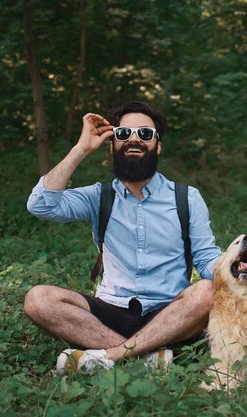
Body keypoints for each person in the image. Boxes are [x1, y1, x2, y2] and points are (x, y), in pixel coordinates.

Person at [24, 101, 221, 374]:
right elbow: (41, 204)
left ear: (158, 146)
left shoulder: (186, 198)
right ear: (112, 145)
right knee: (39, 299)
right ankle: (145, 359)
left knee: (207, 291)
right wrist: (81, 149)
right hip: (111, 311)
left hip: (169, 314)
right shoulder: (98, 197)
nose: (134, 140)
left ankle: (111, 356)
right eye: (123, 133)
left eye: (145, 134)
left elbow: (207, 258)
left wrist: (238, 267)